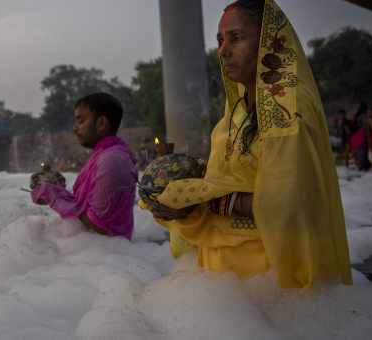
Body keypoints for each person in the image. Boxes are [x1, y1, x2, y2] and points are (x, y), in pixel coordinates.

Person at [143, 0, 352, 288]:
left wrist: (206, 199)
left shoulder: (288, 110)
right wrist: (180, 201)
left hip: (272, 281)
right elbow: (223, 178)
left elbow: (288, 205)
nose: (224, 50)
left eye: (237, 37)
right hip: (225, 285)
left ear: (270, 42)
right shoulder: (235, 113)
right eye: (220, 40)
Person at [30, 92, 138, 239]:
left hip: (108, 253)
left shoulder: (112, 160)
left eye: (80, 121)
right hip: (96, 250)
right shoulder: (104, 154)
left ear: (101, 123)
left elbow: (100, 225)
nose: (75, 128)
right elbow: (85, 207)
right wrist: (56, 192)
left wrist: (54, 198)